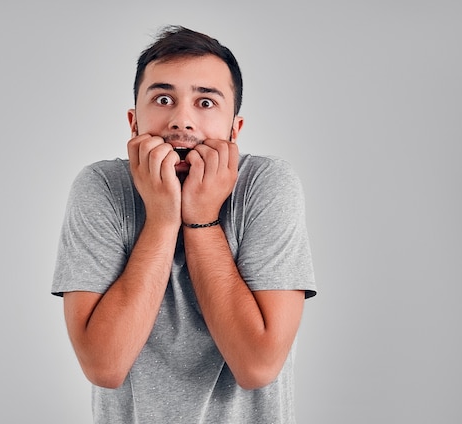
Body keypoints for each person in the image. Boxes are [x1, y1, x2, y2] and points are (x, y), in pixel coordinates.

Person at [52, 25, 317, 423]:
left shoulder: (266, 184)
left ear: (234, 129)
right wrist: (161, 219)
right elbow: (104, 367)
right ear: (134, 122)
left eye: (206, 103)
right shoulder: (101, 187)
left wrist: (202, 220)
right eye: (163, 99)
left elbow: (257, 367)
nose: (182, 121)